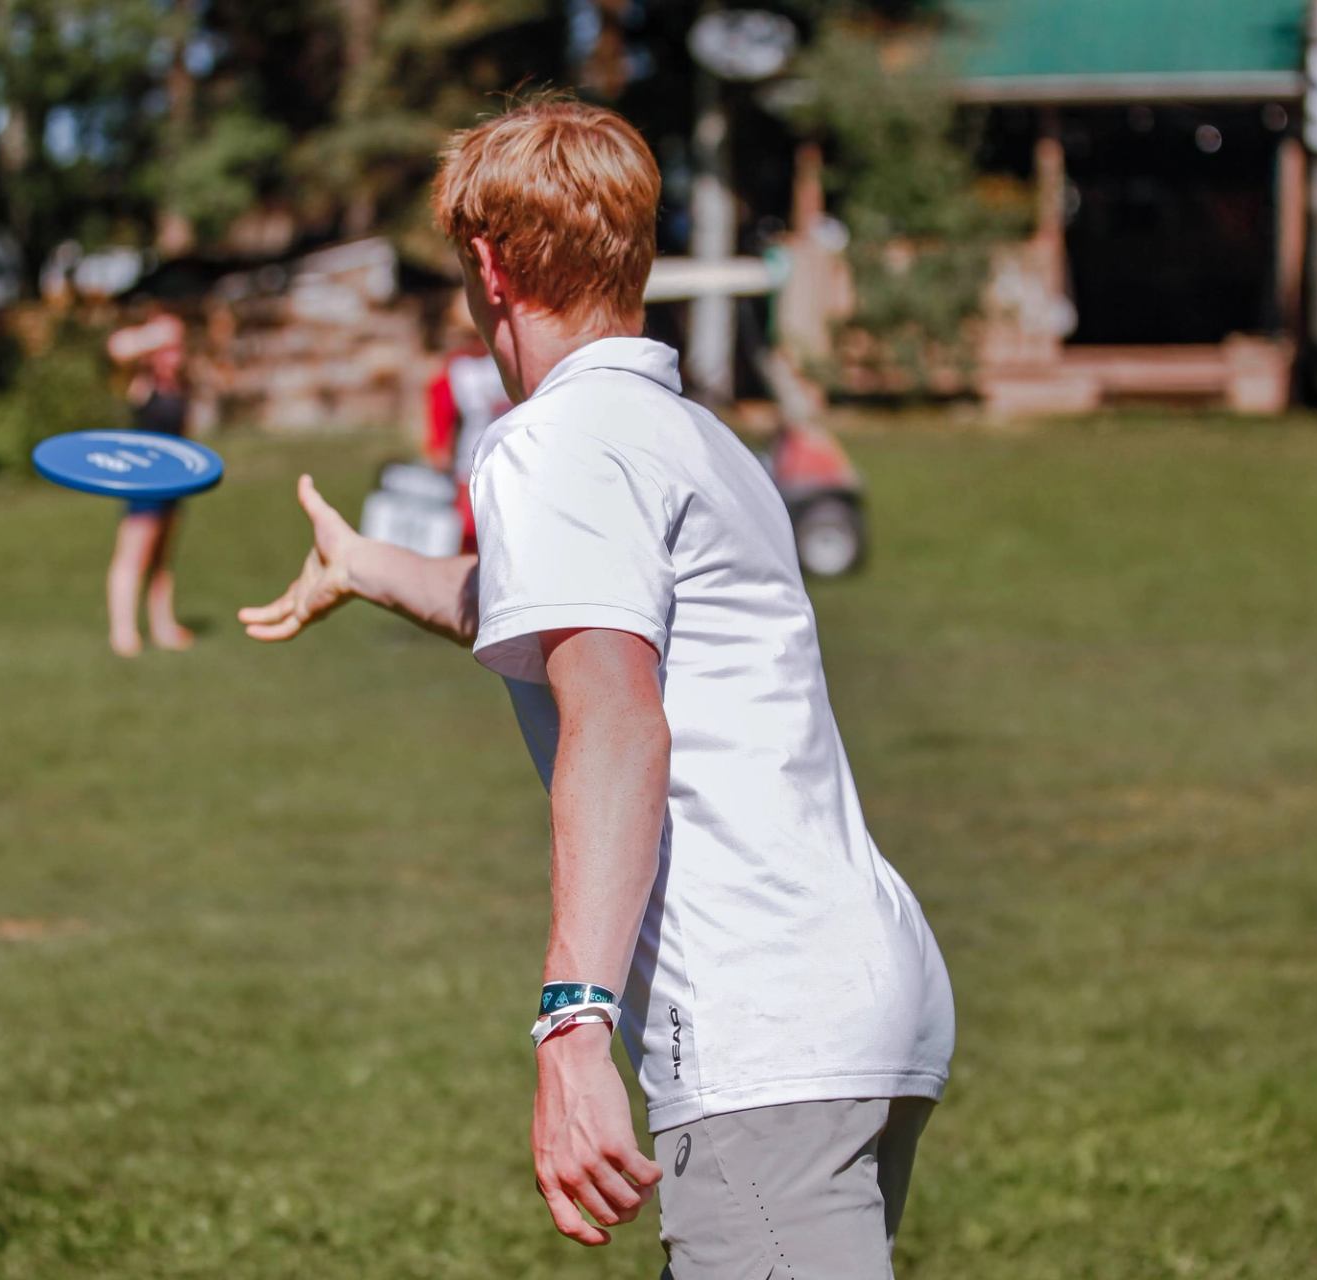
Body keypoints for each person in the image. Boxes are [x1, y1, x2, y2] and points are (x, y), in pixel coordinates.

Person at [238, 98, 954, 1278]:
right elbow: (559, 609)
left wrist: (572, 1027)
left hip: (761, 1021)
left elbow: (617, 716)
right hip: (863, 995)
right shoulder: (691, 436)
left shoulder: (554, 440)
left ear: (489, 264)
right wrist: (365, 565)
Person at [103, 308, 196, 656]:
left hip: (174, 484)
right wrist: (158, 333)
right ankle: (123, 633)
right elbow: (116, 348)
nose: (172, 354)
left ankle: (163, 626)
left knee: (161, 561)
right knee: (132, 557)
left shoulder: (180, 386)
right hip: (144, 484)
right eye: (166, 348)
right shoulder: (141, 384)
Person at [423, 292, 511, 552]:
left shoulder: (504, 362)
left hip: (507, 452)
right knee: (468, 530)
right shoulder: (456, 368)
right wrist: (438, 448)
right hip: (469, 459)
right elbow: (441, 411)